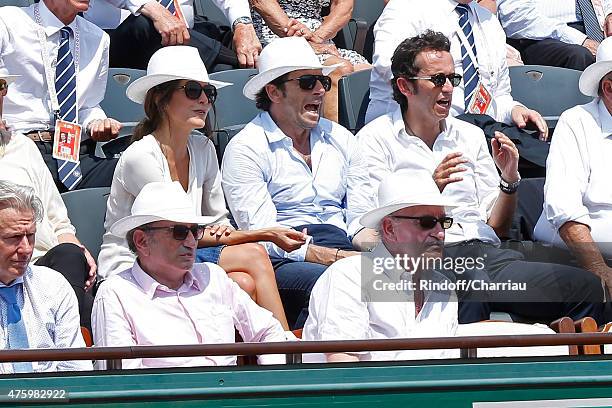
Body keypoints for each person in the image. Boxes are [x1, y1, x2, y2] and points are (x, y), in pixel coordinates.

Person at [357, 31, 612, 325]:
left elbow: (498, 228)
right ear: (405, 86)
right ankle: (464, 366)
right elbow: (364, 236)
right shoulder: (374, 140)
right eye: (437, 80)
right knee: (471, 285)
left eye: (452, 80)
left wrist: (509, 180)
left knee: (586, 288)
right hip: (423, 259)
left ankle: (567, 364)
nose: (448, 89)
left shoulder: (470, 134)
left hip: (489, 257)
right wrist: (425, 195)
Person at [99, 45, 306, 330]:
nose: (205, 101)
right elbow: (172, 229)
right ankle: (287, 353)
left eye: (210, 93)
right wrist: (265, 234)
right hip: (138, 261)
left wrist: (229, 233)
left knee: (242, 283)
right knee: (257, 254)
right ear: (161, 97)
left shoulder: (203, 147)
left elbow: (218, 221)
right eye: (193, 91)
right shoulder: (140, 156)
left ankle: (253, 367)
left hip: (187, 249)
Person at [222, 36, 376, 329]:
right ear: (274, 92)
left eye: (324, 83)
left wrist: (387, 254)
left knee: (423, 278)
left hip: (343, 246)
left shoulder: (343, 139)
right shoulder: (246, 148)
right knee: (336, 285)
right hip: (285, 257)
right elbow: (262, 234)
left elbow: (360, 219)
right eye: (308, 82)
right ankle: (306, 365)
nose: (320, 90)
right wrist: (330, 257)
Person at [92, 182, 290, 369]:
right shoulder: (115, 294)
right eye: (179, 231)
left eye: (195, 231)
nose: (191, 241)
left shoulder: (214, 277)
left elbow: (269, 332)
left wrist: (274, 386)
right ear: (142, 241)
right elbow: (121, 381)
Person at [366, 0, 549, 173]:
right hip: (417, 137)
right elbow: (392, 70)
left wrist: (514, 110)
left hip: (480, 134)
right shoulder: (406, 8)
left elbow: (498, 94)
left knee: (542, 159)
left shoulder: (489, 22)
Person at [303, 171, 459, 362]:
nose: (440, 233)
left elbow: (448, 370)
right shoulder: (349, 276)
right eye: (427, 222)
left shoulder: (444, 288)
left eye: (444, 222)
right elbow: (343, 371)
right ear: (389, 228)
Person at [0, 74, 95, 330]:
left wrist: (77, 247)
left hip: (40, 263)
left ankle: (65, 344)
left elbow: (58, 218)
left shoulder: (24, 147)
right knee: (86, 307)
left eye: (1, 86)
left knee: (70, 255)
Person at [0, 0, 123, 192]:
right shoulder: (8, 22)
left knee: (139, 171)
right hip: (20, 147)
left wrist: (96, 122)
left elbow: (88, 105)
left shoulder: (98, 38)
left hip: (73, 152)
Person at [535, 36, 612, 293]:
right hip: (580, 260)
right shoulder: (576, 122)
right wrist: (601, 273)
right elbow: (564, 207)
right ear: (609, 88)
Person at [0, 181, 91, 373]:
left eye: (31, 236)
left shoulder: (54, 286)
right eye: (14, 238)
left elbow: (75, 370)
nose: (26, 249)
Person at [250, 0, 371, 122]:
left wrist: (318, 37)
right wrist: (303, 42)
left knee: (366, 71)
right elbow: (262, 3)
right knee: (340, 69)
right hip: (276, 35)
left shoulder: (317, 37)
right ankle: (331, 137)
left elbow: (343, 6)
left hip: (319, 37)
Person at [84, 0, 262, 70]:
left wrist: (242, 25)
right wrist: (154, 10)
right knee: (145, 22)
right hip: (118, 42)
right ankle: (232, 60)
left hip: (187, 36)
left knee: (228, 35)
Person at [498, 0, 612, 70]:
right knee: (579, 55)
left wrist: (609, 12)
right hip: (541, 35)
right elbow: (517, 18)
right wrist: (580, 40)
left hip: (596, 25)